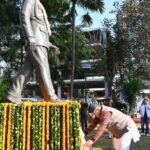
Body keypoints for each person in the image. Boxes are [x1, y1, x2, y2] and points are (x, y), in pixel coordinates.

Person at [7, 0, 59, 104]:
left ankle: (13, 94)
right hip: (36, 40)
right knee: (43, 67)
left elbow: (39, 25)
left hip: (40, 40)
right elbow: (24, 16)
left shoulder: (37, 2)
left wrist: (49, 44)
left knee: (27, 69)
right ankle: (51, 97)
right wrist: (30, 36)